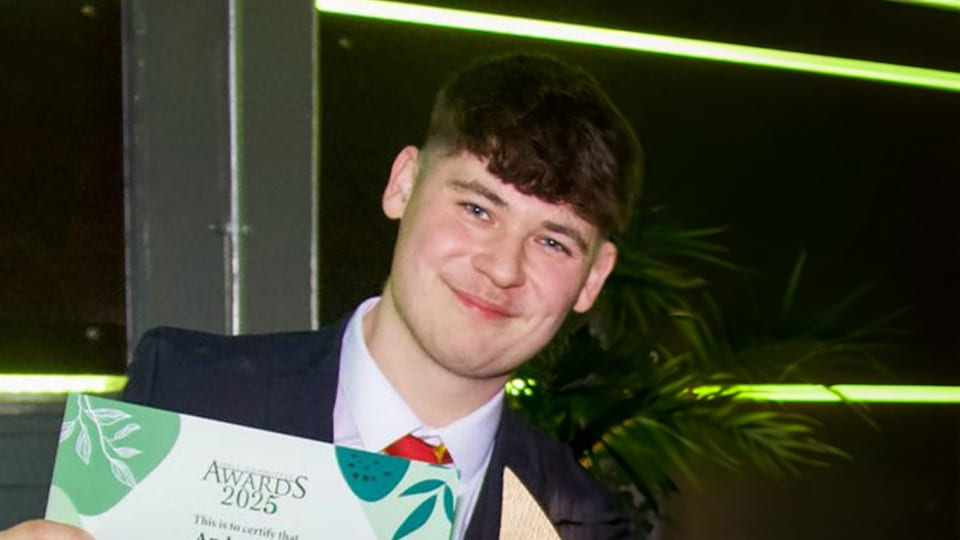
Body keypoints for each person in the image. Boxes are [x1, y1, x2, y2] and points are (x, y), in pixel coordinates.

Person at [1, 52, 644, 539]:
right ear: (403, 184)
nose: (503, 266)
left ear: (593, 277)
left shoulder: (582, 523)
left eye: (554, 242)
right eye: (478, 208)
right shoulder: (188, 397)